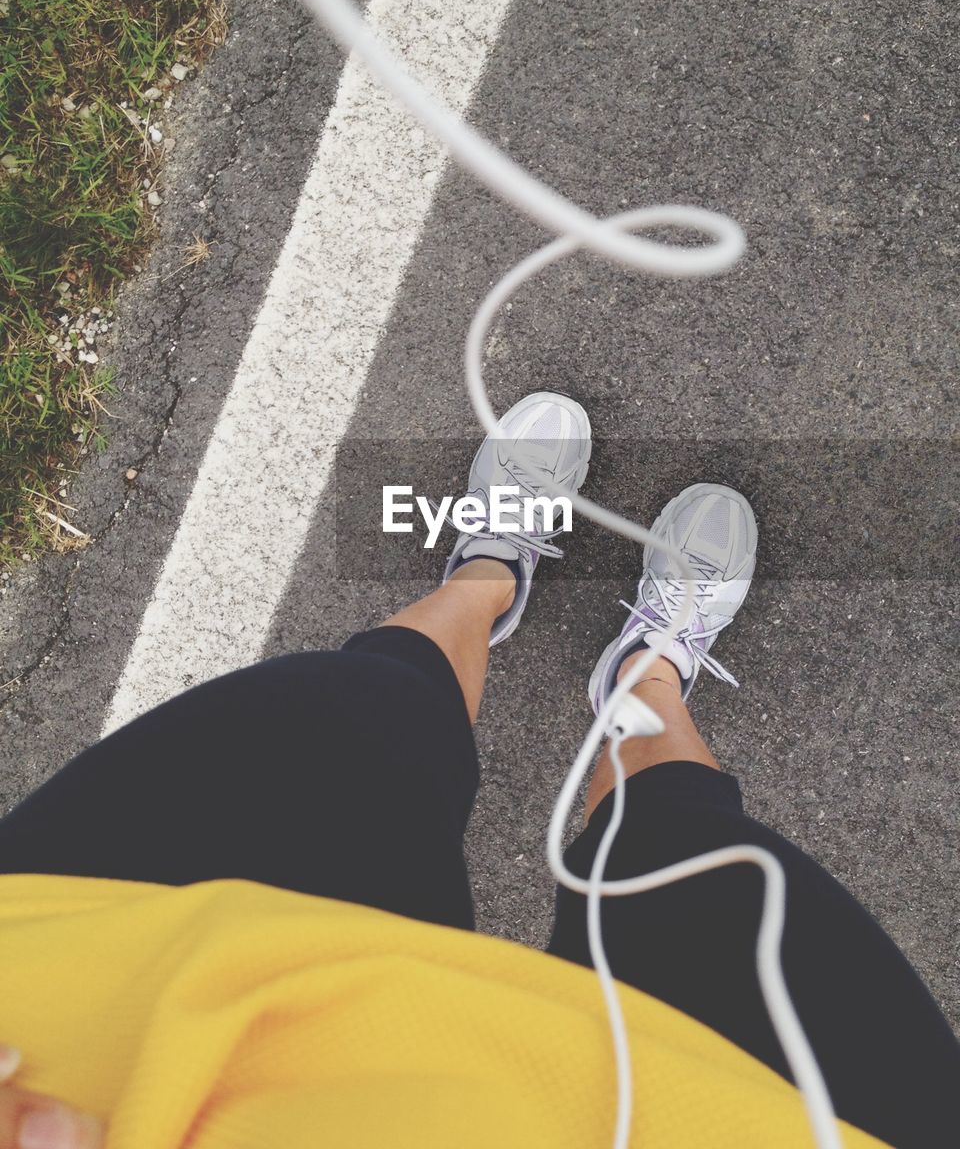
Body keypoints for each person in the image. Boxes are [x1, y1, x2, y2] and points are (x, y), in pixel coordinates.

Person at [0, 391, 956, 1149]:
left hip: (105, 1003)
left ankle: (489, 576)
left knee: (355, 728)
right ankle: (648, 675)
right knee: (694, 864)